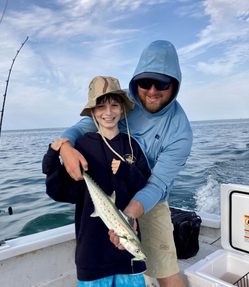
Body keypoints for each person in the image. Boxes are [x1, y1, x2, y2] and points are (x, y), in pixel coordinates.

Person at [59, 40, 193, 287]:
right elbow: (86, 126)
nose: (152, 91)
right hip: (111, 195)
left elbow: (159, 183)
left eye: (162, 83)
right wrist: (65, 145)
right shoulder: (122, 103)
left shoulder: (180, 131)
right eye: (145, 82)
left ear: (175, 83)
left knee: (165, 271)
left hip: (149, 201)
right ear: (136, 82)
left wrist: (130, 213)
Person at [42, 76, 150, 287]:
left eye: (114, 105)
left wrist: (128, 171)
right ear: (92, 111)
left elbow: (143, 187)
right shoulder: (80, 147)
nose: (108, 112)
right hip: (91, 254)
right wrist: (52, 158)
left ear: (122, 109)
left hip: (128, 256)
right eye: (101, 106)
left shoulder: (133, 146)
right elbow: (60, 191)